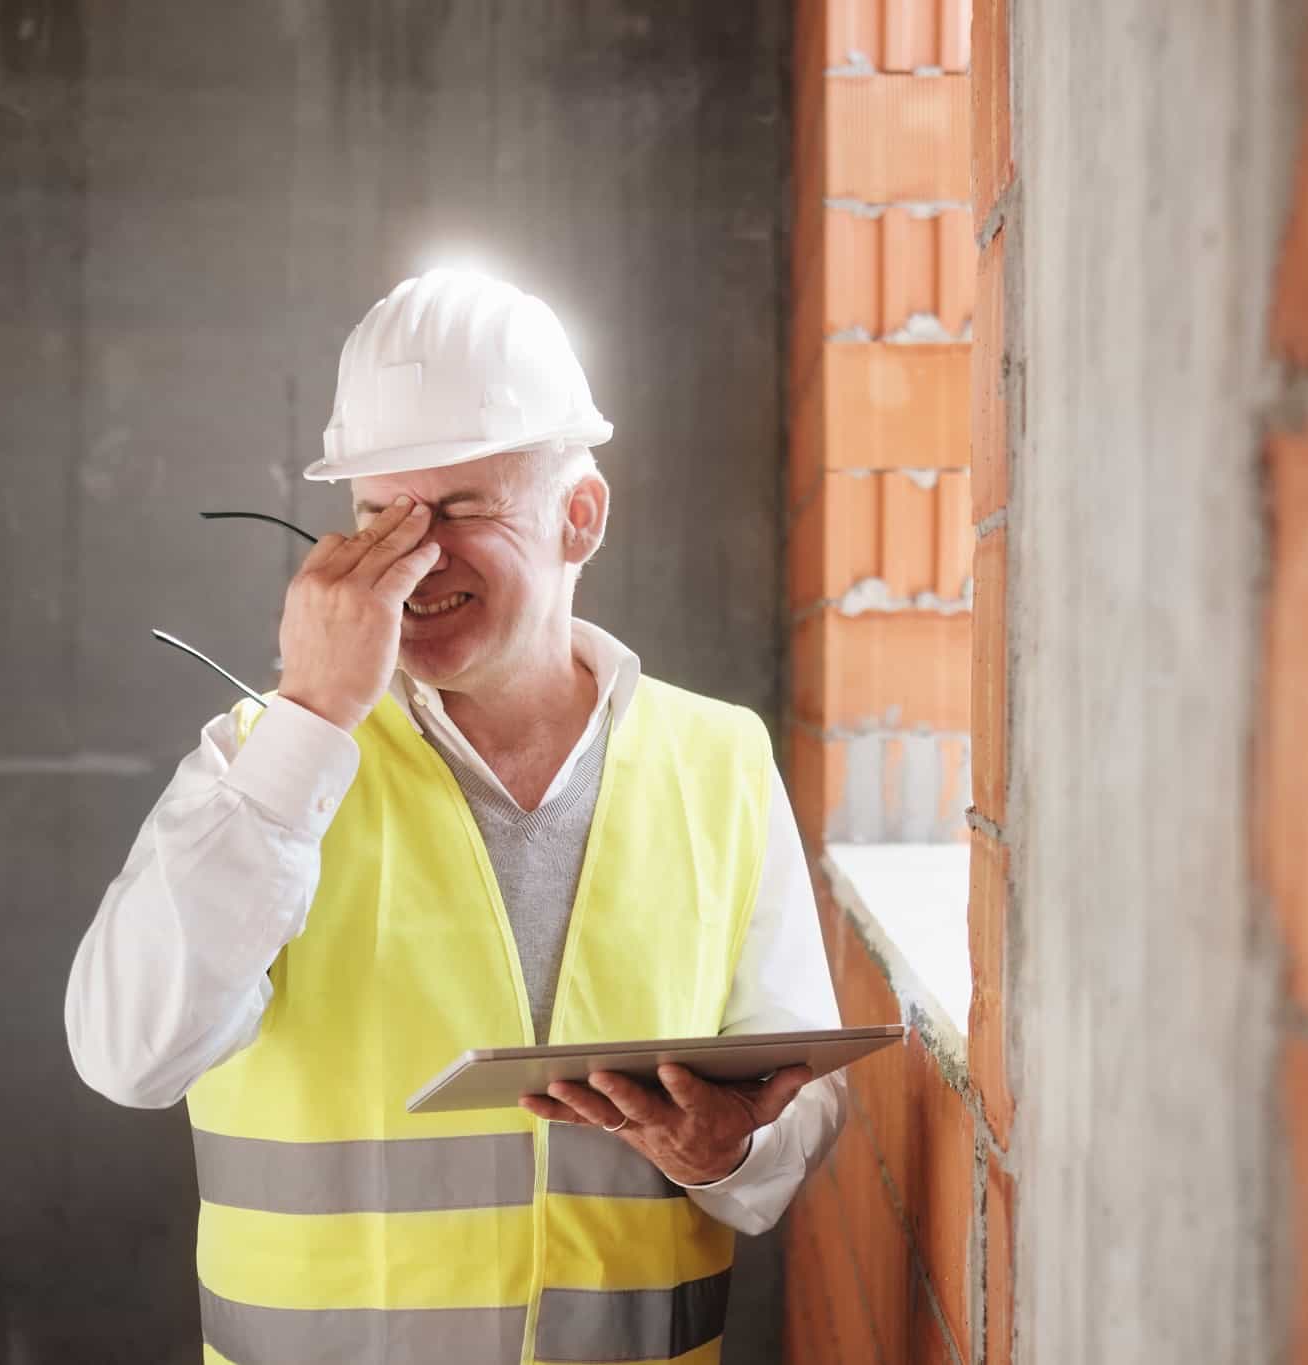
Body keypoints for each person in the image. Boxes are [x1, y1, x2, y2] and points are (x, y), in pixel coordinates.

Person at [65, 269, 845, 1364]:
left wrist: (726, 1150)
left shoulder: (716, 762)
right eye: (379, 516)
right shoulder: (262, 767)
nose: (414, 554)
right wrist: (310, 719)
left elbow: (795, 1116)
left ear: (580, 516)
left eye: (464, 507)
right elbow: (128, 1056)